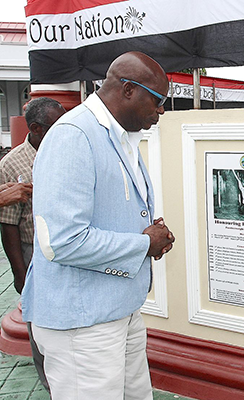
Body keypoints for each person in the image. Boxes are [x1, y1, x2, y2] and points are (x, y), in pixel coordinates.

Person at [21, 51, 175, 400]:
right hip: (82, 324)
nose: (162, 110)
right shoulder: (73, 135)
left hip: (118, 310)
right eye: (158, 100)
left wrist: (150, 236)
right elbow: (62, 241)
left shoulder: (117, 135)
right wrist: (142, 245)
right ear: (127, 90)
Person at [0, 97, 65, 295]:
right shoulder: (12, 164)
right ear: (36, 128)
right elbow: (8, 224)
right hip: (33, 249)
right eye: (56, 126)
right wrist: (19, 273)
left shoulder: (68, 151)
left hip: (68, 245)